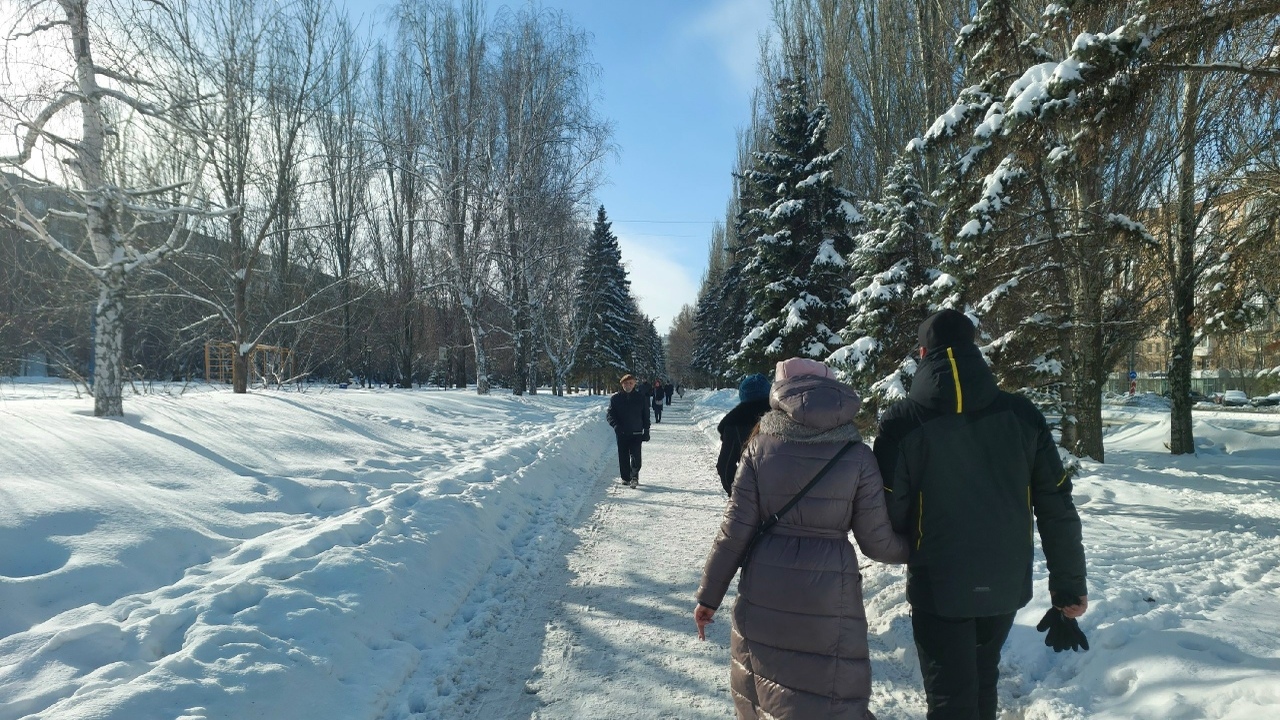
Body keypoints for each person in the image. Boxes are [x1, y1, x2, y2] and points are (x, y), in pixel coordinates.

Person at [873, 309, 1088, 720]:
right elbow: (1056, 503)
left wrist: (909, 541)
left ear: (922, 353)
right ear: (975, 351)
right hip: (1004, 582)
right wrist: (1069, 584)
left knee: (950, 697)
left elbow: (889, 506)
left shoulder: (902, 423)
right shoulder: (1022, 415)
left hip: (939, 582)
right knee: (981, 678)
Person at [694, 358, 909, 719]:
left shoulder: (759, 446)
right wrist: (924, 547)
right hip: (831, 594)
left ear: (780, 392)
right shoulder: (857, 453)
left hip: (766, 588)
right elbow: (877, 543)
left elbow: (735, 531)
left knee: (768, 694)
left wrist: (708, 597)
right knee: (830, 696)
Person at [714, 373, 772, 496]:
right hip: (787, 498)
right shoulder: (785, 419)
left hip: (751, 495)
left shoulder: (735, 424)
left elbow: (724, 466)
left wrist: (738, 495)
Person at [606, 374, 650, 487]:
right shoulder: (615, 399)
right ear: (622, 384)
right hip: (622, 433)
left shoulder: (641, 398)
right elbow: (610, 415)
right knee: (623, 456)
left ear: (634, 384)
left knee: (636, 456)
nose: (628, 385)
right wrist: (615, 426)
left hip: (636, 432)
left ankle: (634, 476)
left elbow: (646, 415)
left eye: (630, 383)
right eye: (626, 383)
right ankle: (625, 477)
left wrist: (646, 430)